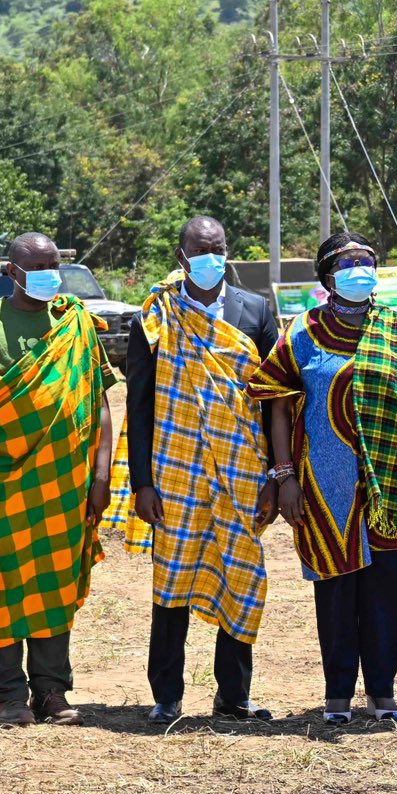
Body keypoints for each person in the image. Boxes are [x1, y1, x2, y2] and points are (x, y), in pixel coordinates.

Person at [247, 231, 397, 724]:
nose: (360, 271)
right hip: (323, 484)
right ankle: (336, 694)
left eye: (366, 262)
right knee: (334, 586)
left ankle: (382, 690)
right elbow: (279, 408)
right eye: (348, 263)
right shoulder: (302, 333)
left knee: (389, 588)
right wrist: (284, 475)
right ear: (328, 276)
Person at [0, 232, 116, 726]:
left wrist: (100, 475)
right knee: (2, 583)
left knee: (55, 583)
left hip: (66, 486)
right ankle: (7, 694)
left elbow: (98, 400)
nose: (48, 273)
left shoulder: (76, 325)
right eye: (37, 265)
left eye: (53, 264)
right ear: (12, 273)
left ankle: (52, 691)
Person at [122, 218, 282, 725]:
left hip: (242, 469)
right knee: (172, 582)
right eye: (200, 249)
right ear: (182, 254)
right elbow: (139, 401)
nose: (210, 257)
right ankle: (166, 694)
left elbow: (272, 397)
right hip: (175, 470)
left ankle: (233, 695)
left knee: (241, 575)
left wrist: (276, 479)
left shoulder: (255, 309)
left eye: (218, 249)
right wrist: (142, 483)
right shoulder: (155, 314)